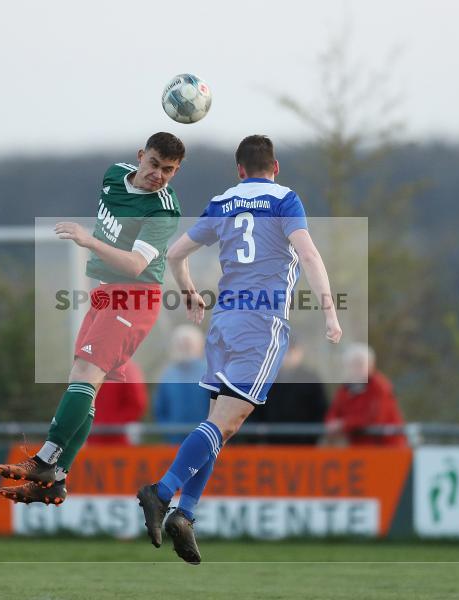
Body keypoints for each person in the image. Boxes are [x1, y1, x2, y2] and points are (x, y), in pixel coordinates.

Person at [137, 135, 342, 564]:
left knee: (219, 425)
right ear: (276, 167)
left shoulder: (223, 201)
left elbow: (176, 254)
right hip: (261, 324)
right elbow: (308, 254)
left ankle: (185, 513)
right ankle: (159, 492)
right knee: (225, 424)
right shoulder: (286, 200)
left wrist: (190, 293)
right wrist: (329, 311)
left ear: (240, 171)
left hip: (223, 324)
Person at [0, 132, 185, 505]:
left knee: (84, 376)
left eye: (169, 170)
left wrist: (89, 241)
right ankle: (58, 479)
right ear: (140, 156)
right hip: (105, 295)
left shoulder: (163, 209)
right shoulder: (115, 175)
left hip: (135, 298)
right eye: (155, 165)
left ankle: (46, 460)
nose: (159, 175)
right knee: (82, 383)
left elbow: (135, 264)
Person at [245, 335, 329, 444]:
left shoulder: (311, 379)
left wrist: (312, 435)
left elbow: (321, 410)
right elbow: (254, 409)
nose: (288, 355)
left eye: (291, 351)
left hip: (304, 444)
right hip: (273, 443)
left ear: (300, 352)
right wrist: (259, 430)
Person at [324, 343, 407, 447]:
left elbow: (374, 418)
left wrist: (343, 424)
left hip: (386, 448)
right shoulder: (345, 389)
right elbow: (333, 413)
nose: (355, 369)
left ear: (371, 365)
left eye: (360, 364)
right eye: (352, 364)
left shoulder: (379, 386)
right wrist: (333, 424)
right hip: (359, 449)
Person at [153, 325, 210, 443]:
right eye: (181, 344)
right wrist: (167, 431)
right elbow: (160, 408)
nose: (185, 347)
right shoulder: (168, 374)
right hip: (174, 440)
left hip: (205, 440)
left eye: (188, 344)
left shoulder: (209, 372)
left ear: (199, 345)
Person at [88, 359, 148, 446]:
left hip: (117, 439)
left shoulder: (127, 370)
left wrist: (112, 425)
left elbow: (137, 404)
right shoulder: (92, 368)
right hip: (94, 438)